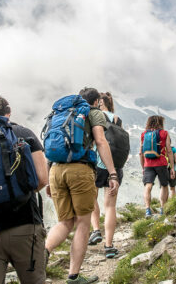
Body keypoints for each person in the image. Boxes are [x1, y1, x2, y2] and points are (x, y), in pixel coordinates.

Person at [0, 96, 49, 284]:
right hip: (25, 225)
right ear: (8, 113)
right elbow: (42, 179)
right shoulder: (22, 132)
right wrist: (18, 193)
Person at [44, 87, 119, 284]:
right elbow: (101, 142)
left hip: (56, 170)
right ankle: (73, 276)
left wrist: (48, 178)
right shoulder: (93, 113)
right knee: (83, 223)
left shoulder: (61, 113)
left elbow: (51, 145)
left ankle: (42, 253)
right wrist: (112, 173)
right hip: (80, 169)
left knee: (65, 222)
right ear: (96, 102)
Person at [88, 92, 123, 259]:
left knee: (92, 198)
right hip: (113, 165)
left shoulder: (95, 115)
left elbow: (95, 141)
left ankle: (96, 230)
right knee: (110, 206)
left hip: (96, 163)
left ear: (99, 102)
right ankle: (109, 246)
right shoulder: (116, 119)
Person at [140, 115, 175, 217]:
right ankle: (163, 209)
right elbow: (169, 150)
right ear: (160, 123)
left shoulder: (144, 134)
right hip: (161, 163)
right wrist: (172, 167)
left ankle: (147, 209)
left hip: (148, 164)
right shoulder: (164, 133)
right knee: (164, 185)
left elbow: (141, 152)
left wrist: (143, 167)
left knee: (148, 186)